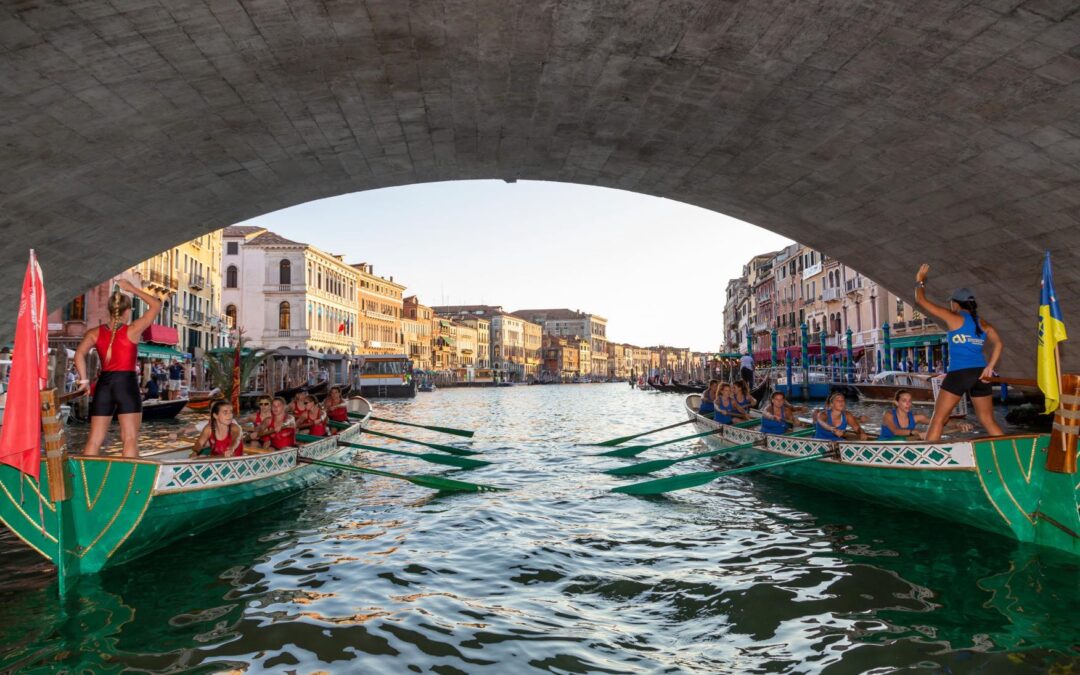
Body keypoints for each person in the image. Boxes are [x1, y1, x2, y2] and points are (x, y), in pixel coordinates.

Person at [914, 264, 1004, 441]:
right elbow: (998, 344)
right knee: (987, 419)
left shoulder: (953, 316)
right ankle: (1010, 453)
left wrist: (920, 281)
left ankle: (927, 460)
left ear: (956, 303)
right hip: (981, 374)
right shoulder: (983, 323)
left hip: (960, 373)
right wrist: (990, 367)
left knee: (938, 419)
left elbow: (921, 300)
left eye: (951, 302)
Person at [74, 279, 162, 458]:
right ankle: (129, 481)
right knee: (129, 438)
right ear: (127, 311)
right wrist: (132, 288)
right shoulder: (133, 330)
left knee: (94, 439)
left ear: (109, 310)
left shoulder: (94, 333)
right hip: (126, 385)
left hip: (104, 385)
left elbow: (78, 355)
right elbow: (156, 305)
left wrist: (84, 382)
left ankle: (85, 480)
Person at [879, 389, 973, 441]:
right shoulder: (888, 415)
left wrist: (959, 424)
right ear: (896, 403)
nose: (908, 404)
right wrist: (915, 432)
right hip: (885, 444)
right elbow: (895, 431)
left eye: (910, 401)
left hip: (904, 445)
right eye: (904, 401)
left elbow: (941, 422)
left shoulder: (917, 418)